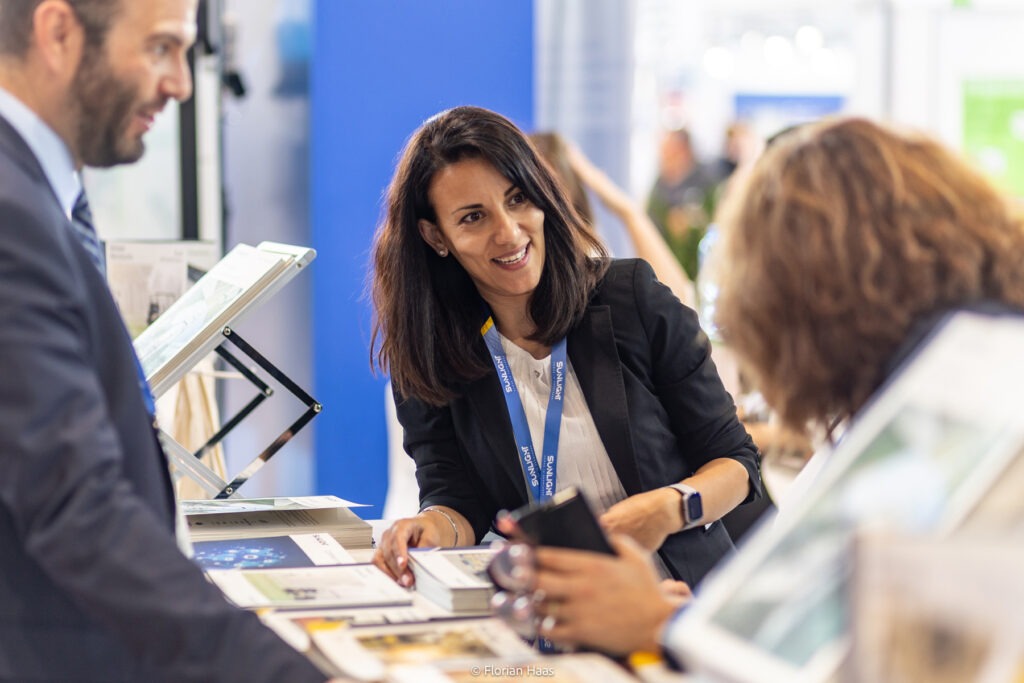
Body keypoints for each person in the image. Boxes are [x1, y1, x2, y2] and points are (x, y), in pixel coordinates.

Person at [500, 116, 1024, 658]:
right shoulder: (967, 364)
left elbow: (894, 656)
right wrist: (680, 620)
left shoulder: (953, 405)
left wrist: (661, 625)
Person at [0, 1, 330, 680]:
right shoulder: (12, 217)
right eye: (160, 48)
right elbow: (74, 507)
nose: (181, 83)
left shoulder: (41, 200)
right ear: (58, 32)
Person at [369, 105, 762, 590]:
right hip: (547, 609)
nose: (509, 232)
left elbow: (738, 463)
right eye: (473, 217)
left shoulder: (630, 300)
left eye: (517, 200)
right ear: (436, 236)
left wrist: (671, 507)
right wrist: (429, 528)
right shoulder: (432, 348)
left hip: (675, 597)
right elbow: (456, 499)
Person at [530, 131, 697, 308]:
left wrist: (626, 210)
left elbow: (675, 305)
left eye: (553, 190)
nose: (544, 204)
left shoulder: (588, 261)